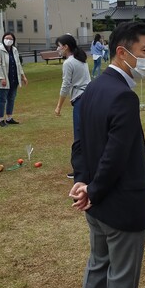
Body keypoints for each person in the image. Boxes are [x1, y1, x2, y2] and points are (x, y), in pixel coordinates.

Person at [70, 21, 145, 288]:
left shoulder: (93, 88)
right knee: (120, 277)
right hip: (119, 204)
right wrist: (91, 187)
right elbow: (116, 155)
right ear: (122, 53)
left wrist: (84, 182)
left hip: (97, 203)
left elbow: (80, 144)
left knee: (98, 268)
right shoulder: (121, 94)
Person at [54, 34, 91, 179]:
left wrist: (58, 106)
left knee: (79, 137)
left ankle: (80, 170)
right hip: (88, 97)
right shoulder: (81, 59)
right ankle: (88, 166)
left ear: (66, 47)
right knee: (87, 134)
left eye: (59, 46)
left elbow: (65, 85)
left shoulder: (69, 62)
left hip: (80, 100)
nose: (58, 49)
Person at [0, 32, 28, 126]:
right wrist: (2, 78)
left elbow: (18, 64)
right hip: (4, 79)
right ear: (3, 39)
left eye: (10, 39)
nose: (8, 40)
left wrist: (23, 76)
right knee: (2, 99)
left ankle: (9, 117)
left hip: (13, 79)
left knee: (11, 98)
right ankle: (1, 119)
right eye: (6, 38)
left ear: (13, 40)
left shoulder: (14, 50)